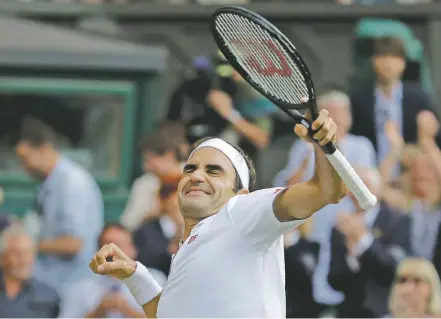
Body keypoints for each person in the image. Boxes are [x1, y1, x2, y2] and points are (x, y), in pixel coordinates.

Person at [89, 109, 348, 317]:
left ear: (241, 195)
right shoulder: (188, 248)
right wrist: (135, 275)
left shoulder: (241, 212)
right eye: (189, 169)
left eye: (214, 171)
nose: (196, 176)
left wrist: (324, 146)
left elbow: (327, 191)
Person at [15, 117, 104, 294]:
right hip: (50, 281)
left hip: (70, 288)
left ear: (44, 149)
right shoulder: (49, 182)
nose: (24, 167)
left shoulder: (72, 184)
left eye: (26, 159)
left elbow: (73, 244)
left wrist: (26, 245)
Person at [59, 223, 166, 318]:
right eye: (109, 245)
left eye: (122, 245)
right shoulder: (79, 289)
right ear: (98, 251)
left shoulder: (155, 280)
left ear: (134, 249)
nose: (115, 251)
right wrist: (97, 313)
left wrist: (128, 310)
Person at [0, 224, 60, 317]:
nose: (24, 260)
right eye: (17, 253)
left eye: (28, 253)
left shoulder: (48, 297)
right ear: (2, 257)